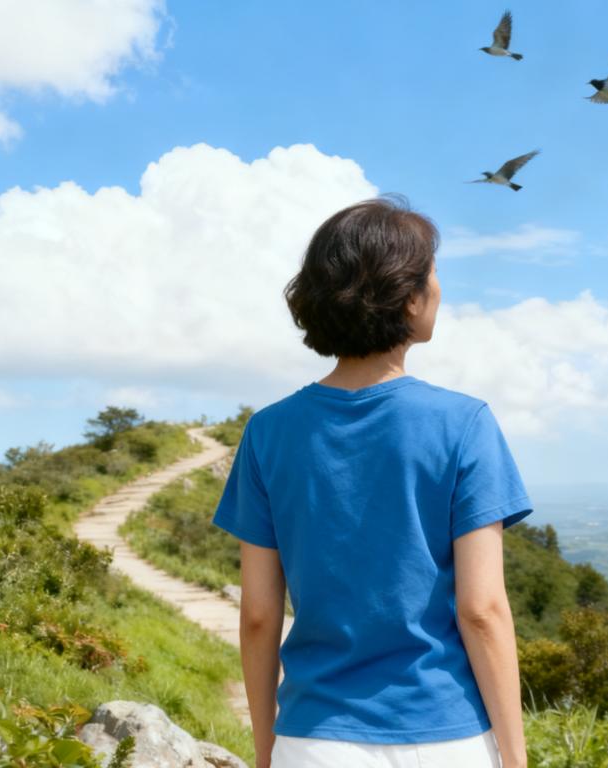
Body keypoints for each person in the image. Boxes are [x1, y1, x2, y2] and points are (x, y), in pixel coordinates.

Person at [212, 195, 534, 768]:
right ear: (407, 297)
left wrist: (267, 750)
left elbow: (260, 615)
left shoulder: (268, 432)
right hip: (446, 736)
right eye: (432, 275)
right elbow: (482, 610)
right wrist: (514, 758)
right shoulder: (464, 424)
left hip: (313, 738)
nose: (439, 289)